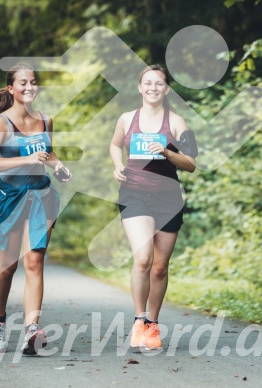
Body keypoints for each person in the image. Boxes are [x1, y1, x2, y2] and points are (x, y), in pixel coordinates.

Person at [0, 63, 72, 354]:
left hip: (39, 196)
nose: (29, 87)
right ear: (11, 88)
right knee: (8, 265)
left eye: (33, 82)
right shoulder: (2, 123)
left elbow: (48, 151)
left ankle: (33, 330)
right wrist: (26, 161)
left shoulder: (46, 119)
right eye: (23, 83)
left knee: (35, 261)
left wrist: (58, 166)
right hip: (8, 198)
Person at [110, 64, 197, 350]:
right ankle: (139, 320)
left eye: (159, 83)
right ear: (140, 87)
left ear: (167, 89)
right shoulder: (126, 119)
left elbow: (191, 163)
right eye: (148, 83)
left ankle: (152, 326)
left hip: (167, 199)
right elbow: (114, 145)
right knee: (144, 258)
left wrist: (166, 151)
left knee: (159, 267)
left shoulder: (177, 122)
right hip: (134, 194)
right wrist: (118, 164)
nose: (153, 88)